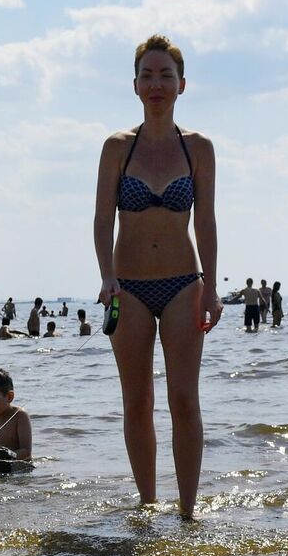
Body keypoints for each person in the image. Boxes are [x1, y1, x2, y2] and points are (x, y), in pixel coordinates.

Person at [93, 32, 221, 519]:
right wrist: (106, 277)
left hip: (183, 283)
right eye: (147, 75)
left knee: (184, 398)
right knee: (137, 400)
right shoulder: (117, 148)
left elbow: (206, 221)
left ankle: (188, 513)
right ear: (135, 85)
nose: (156, 84)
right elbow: (104, 218)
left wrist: (211, 285)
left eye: (166, 75)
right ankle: (148, 506)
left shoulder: (198, 149)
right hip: (128, 288)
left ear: (182, 84)